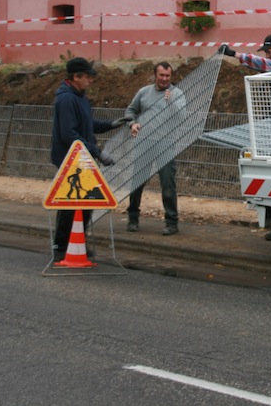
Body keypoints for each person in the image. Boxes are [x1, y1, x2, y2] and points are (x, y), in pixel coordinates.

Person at [218, 34, 271, 241]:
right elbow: (262, 66)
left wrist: (234, 53)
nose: (267, 55)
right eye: (265, 52)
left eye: (270, 51)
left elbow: (264, 65)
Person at [50, 57, 120, 261]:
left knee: (87, 203)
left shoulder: (80, 96)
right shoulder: (66, 99)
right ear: (75, 77)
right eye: (88, 77)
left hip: (82, 158)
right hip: (70, 159)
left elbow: (88, 125)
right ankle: (61, 247)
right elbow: (70, 135)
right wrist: (98, 152)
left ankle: (77, 241)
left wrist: (112, 124)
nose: (91, 80)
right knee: (70, 205)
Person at [124, 62, 187, 235]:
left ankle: (172, 222)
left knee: (168, 184)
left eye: (168, 76)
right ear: (155, 75)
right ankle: (133, 218)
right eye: (161, 75)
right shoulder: (144, 93)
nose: (165, 79)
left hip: (166, 144)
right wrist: (133, 123)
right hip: (144, 144)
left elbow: (183, 117)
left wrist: (172, 102)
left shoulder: (177, 94)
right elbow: (130, 110)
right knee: (137, 182)